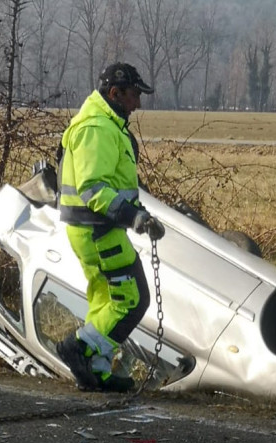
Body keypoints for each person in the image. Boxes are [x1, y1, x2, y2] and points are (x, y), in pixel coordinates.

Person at [55, 62, 165, 392]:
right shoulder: (97, 127)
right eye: (134, 95)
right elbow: (93, 189)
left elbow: (115, 184)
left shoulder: (106, 123)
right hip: (99, 230)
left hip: (97, 228)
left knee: (106, 301)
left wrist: (140, 214)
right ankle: (77, 347)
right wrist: (133, 217)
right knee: (133, 300)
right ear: (115, 93)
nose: (138, 103)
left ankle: (96, 370)